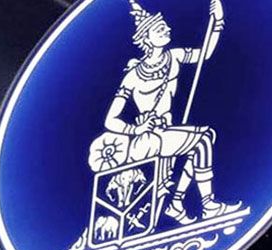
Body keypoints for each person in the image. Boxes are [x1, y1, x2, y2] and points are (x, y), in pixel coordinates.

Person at [100, 0, 241, 226]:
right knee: (202, 141)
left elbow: (204, 54)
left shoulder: (173, 56)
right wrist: (136, 129)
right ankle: (207, 206)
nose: (167, 29)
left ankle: (176, 203)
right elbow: (110, 120)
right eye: (159, 28)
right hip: (146, 140)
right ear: (147, 38)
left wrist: (217, 22)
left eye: (165, 26)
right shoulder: (133, 76)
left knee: (204, 139)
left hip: (166, 132)